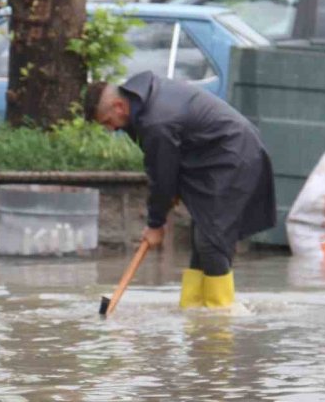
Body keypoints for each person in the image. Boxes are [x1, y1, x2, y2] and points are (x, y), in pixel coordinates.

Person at [84, 71, 276, 308]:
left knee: (211, 239)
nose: (110, 129)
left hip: (234, 156)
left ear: (119, 106)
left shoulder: (156, 121)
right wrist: (167, 200)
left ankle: (220, 315)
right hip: (213, 158)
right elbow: (166, 163)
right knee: (202, 239)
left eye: (106, 121)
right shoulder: (142, 100)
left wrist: (156, 224)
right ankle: (193, 310)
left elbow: (162, 174)